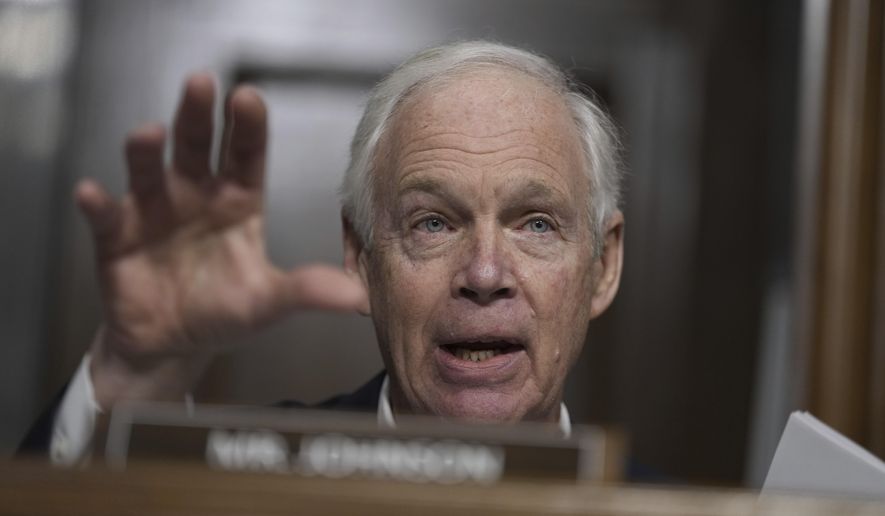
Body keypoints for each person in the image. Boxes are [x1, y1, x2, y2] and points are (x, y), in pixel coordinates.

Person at [21, 40, 625, 465]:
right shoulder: (240, 489)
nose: (486, 273)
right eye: (434, 223)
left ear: (602, 267)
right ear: (361, 258)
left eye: (538, 224)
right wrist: (138, 376)